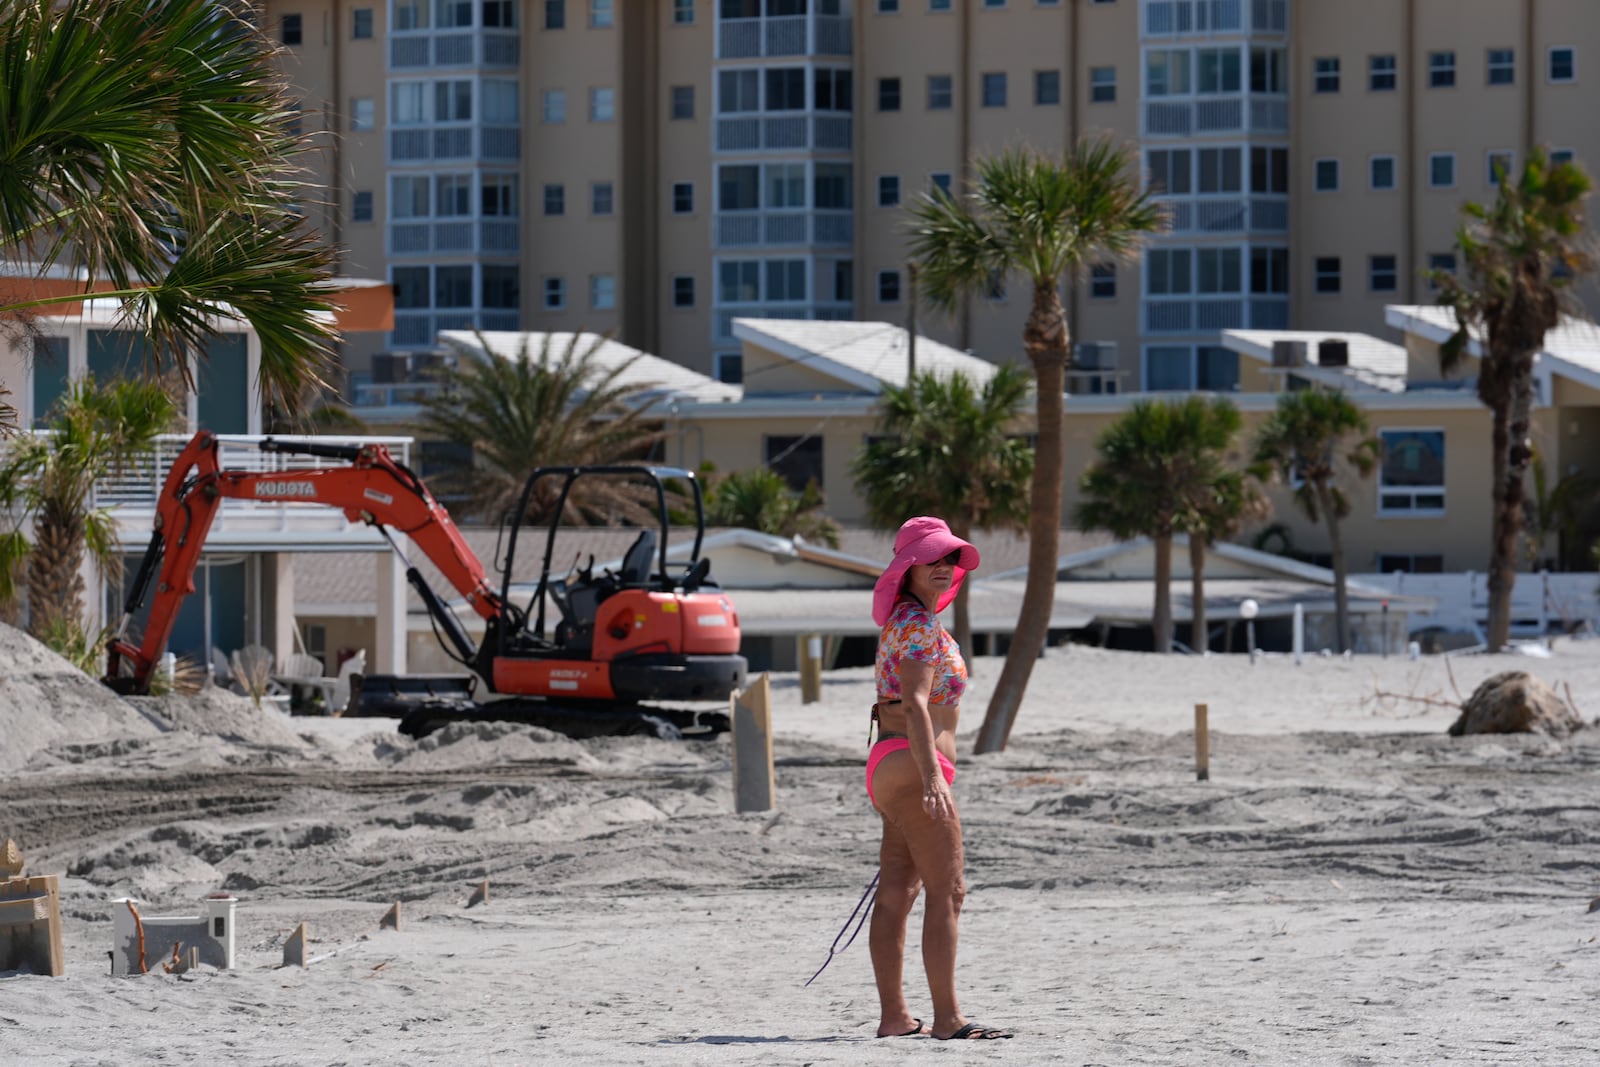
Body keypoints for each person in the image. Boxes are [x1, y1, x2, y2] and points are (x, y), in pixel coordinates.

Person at [864, 516, 1012, 1041]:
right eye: (933, 559)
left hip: (889, 763)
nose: (945, 567)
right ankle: (948, 1019)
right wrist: (933, 779)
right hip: (913, 763)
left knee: (898, 891)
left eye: (950, 559)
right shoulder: (919, 626)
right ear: (907, 568)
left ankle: (895, 1018)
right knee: (948, 891)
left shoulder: (906, 621)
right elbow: (918, 705)